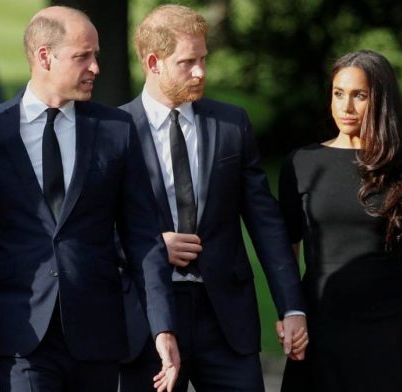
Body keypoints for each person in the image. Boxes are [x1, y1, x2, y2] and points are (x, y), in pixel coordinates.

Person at [0, 6, 180, 392]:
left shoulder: (115, 130)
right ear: (44, 56)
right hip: (22, 333)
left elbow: (144, 237)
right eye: (82, 56)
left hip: (98, 334)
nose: (95, 67)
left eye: (96, 55)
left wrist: (163, 328)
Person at [119, 5, 308, 391]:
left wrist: (292, 306)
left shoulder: (231, 124)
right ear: (154, 63)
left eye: (203, 58)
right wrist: (154, 247)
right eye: (188, 62)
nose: (201, 71)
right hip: (147, 318)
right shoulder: (114, 132)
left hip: (225, 317)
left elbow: (265, 222)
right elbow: (93, 227)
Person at [278, 49, 402, 392]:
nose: (345, 107)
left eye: (359, 95)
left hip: (388, 330)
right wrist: (288, 312)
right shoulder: (301, 164)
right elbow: (287, 252)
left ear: (381, 99)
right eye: (338, 93)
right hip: (319, 326)